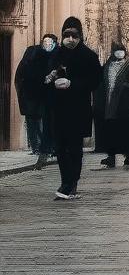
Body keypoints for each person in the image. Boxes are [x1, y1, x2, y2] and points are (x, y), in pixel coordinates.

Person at [44, 17, 101, 200]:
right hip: (58, 108)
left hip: (78, 109)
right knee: (60, 147)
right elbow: (47, 75)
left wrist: (73, 84)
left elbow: (96, 81)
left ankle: (71, 184)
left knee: (74, 148)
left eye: (73, 35)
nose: (70, 39)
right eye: (66, 35)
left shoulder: (89, 56)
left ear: (80, 36)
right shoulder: (56, 54)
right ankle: (66, 181)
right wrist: (51, 79)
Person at [94, 41, 129, 169]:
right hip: (109, 103)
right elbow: (101, 80)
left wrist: (124, 87)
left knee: (126, 129)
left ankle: (128, 157)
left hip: (125, 103)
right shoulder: (108, 64)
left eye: (121, 50)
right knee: (110, 129)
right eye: (116, 51)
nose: (119, 53)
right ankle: (111, 157)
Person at [14, 34, 57, 168]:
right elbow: (25, 73)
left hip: (48, 95)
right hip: (33, 94)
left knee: (45, 121)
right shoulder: (34, 53)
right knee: (34, 120)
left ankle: (46, 147)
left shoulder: (57, 55)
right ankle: (38, 147)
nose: (48, 44)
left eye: (50, 42)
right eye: (46, 42)